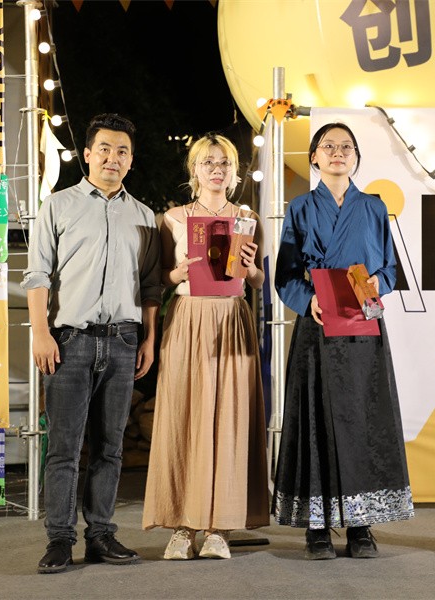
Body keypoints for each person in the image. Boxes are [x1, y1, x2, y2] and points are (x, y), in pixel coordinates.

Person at [22, 113, 162, 574]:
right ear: (86, 154)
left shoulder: (143, 216)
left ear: (131, 160)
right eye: (104, 149)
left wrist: (149, 339)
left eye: (122, 151)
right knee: (64, 448)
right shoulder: (58, 206)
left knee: (110, 447)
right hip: (69, 341)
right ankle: (60, 539)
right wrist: (40, 332)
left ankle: (100, 534)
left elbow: (150, 287)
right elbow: (37, 274)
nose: (112, 158)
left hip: (123, 341)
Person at [272, 122, 414, 560]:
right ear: (314, 157)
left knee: (362, 421)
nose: (338, 152)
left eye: (346, 146)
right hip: (317, 327)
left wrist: (376, 282)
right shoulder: (300, 207)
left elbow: (391, 268)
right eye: (328, 146)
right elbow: (285, 274)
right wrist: (309, 299)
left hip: (362, 327)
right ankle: (316, 527)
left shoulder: (373, 207)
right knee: (315, 419)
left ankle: (360, 525)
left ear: (356, 157)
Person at [142, 134, 269, 560]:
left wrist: (251, 270)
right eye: (208, 162)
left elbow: (258, 280)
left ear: (235, 173)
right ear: (194, 170)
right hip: (188, 318)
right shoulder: (173, 218)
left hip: (231, 319)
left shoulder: (247, 219)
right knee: (183, 415)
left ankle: (219, 528)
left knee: (229, 417)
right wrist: (177, 274)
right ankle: (182, 526)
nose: (217, 169)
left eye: (225, 163)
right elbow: (158, 279)